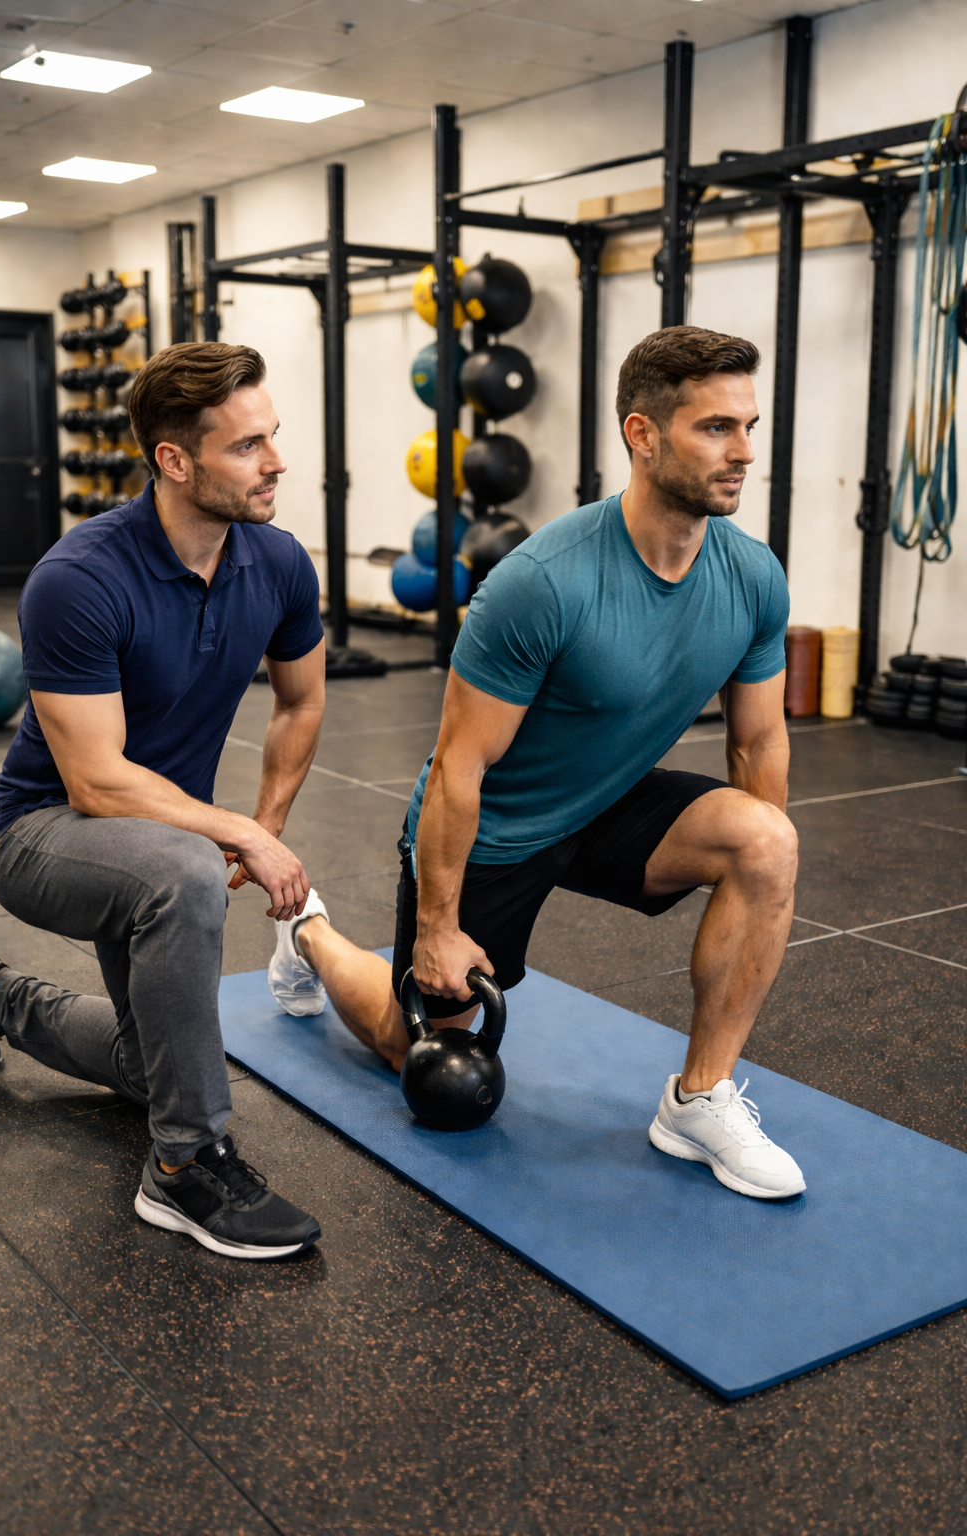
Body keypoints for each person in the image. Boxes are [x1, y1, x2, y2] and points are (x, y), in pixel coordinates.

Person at [268, 325, 805, 1201]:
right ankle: (310, 935)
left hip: (611, 802)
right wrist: (439, 929)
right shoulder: (544, 582)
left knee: (765, 842)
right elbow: (456, 771)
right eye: (716, 428)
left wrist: (760, 890)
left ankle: (698, 1099)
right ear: (643, 434)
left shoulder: (753, 578)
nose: (744, 451)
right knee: (420, 1046)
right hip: (497, 829)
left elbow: (759, 742)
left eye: (749, 425)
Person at [0, 342, 325, 1259]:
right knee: (187, 871)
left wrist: (264, 825)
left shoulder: (276, 563)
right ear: (174, 460)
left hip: (162, 841)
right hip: (39, 833)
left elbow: (303, 699)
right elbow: (93, 780)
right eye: (247, 447)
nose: (276, 462)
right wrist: (233, 832)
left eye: (273, 437)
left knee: (144, 1067)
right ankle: (186, 1168)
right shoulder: (81, 577)